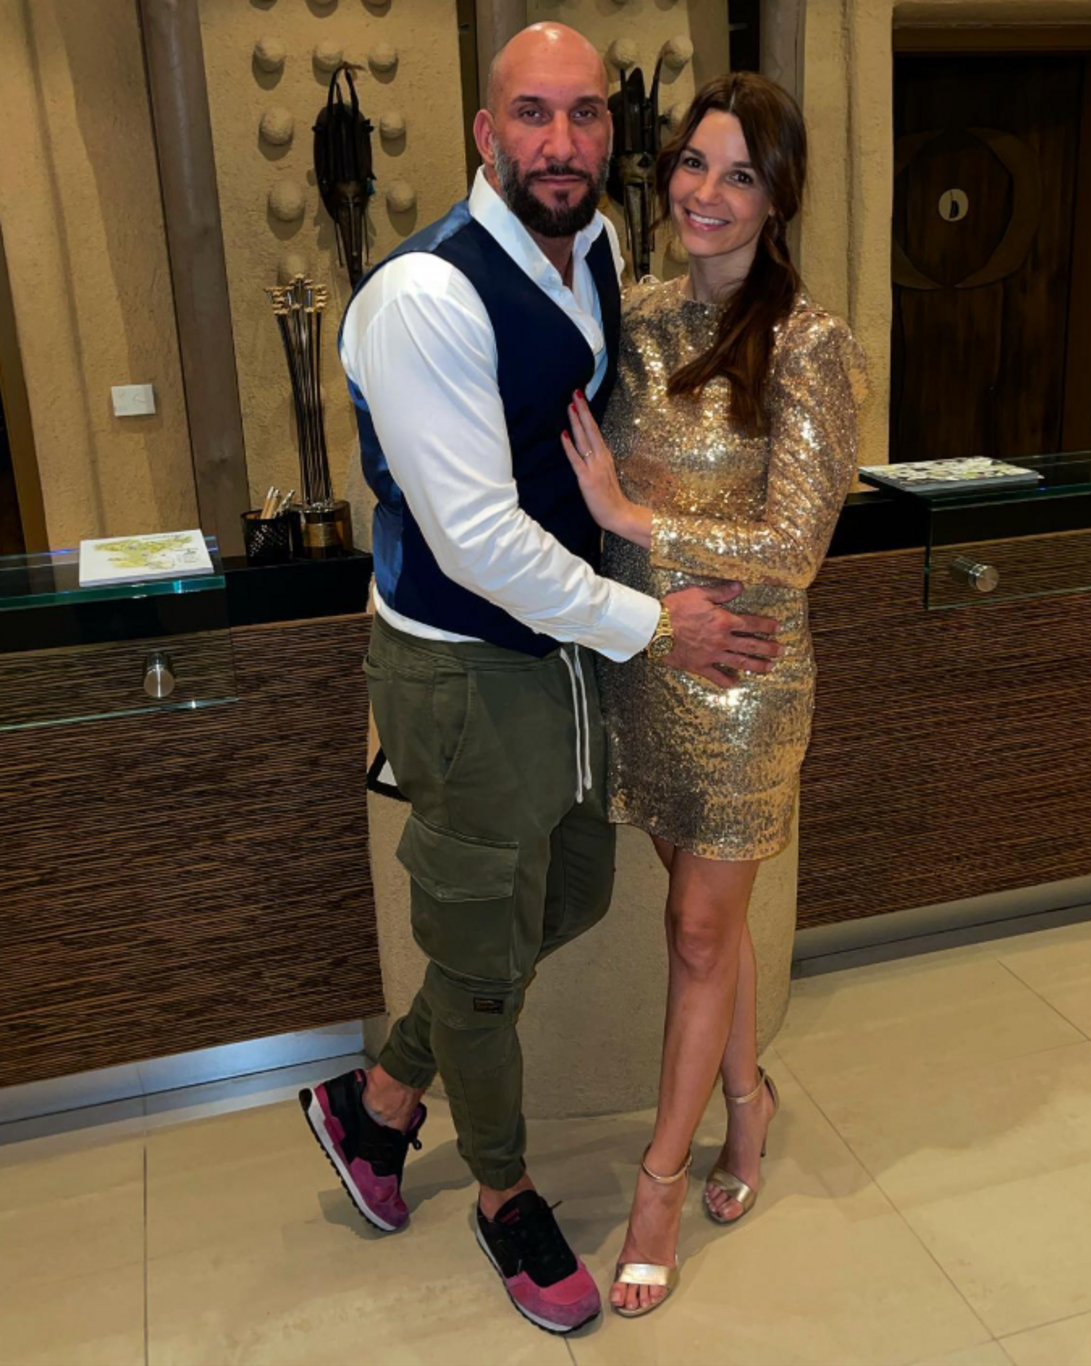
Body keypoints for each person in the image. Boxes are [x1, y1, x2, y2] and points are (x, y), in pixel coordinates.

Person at [298, 24, 781, 1336]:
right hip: (462, 666)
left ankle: (377, 1101)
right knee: (478, 939)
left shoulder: (597, 248)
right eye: (531, 114)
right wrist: (655, 622)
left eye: (582, 115)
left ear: (608, 134)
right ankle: (503, 1192)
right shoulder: (423, 296)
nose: (560, 143)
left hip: (562, 651)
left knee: (566, 892)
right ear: (483, 131)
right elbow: (477, 539)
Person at [560, 71, 865, 1317]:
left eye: (740, 175)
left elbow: (794, 548)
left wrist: (635, 517)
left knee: (695, 929)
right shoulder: (633, 320)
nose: (706, 192)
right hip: (649, 665)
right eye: (693, 163)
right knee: (703, 923)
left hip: (744, 678)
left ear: (777, 198)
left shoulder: (808, 344)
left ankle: (658, 1185)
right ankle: (747, 1101)